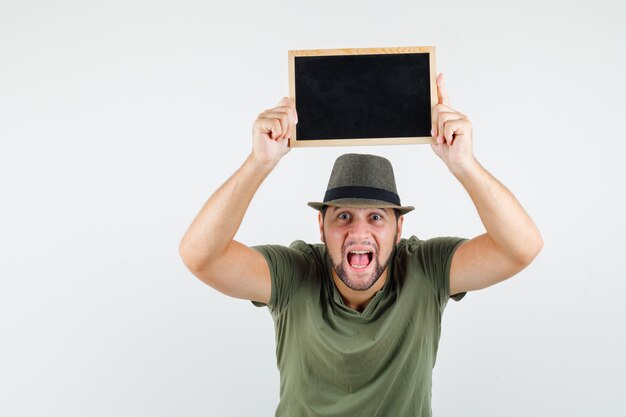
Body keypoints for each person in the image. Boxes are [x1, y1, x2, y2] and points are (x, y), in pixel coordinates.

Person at [178, 73, 543, 416]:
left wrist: (464, 164)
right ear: (320, 226)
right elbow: (200, 257)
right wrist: (259, 162)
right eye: (343, 216)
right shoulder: (294, 273)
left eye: (376, 217)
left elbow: (521, 248)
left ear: (399, 229)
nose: (358, 231)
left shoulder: (425, 269)